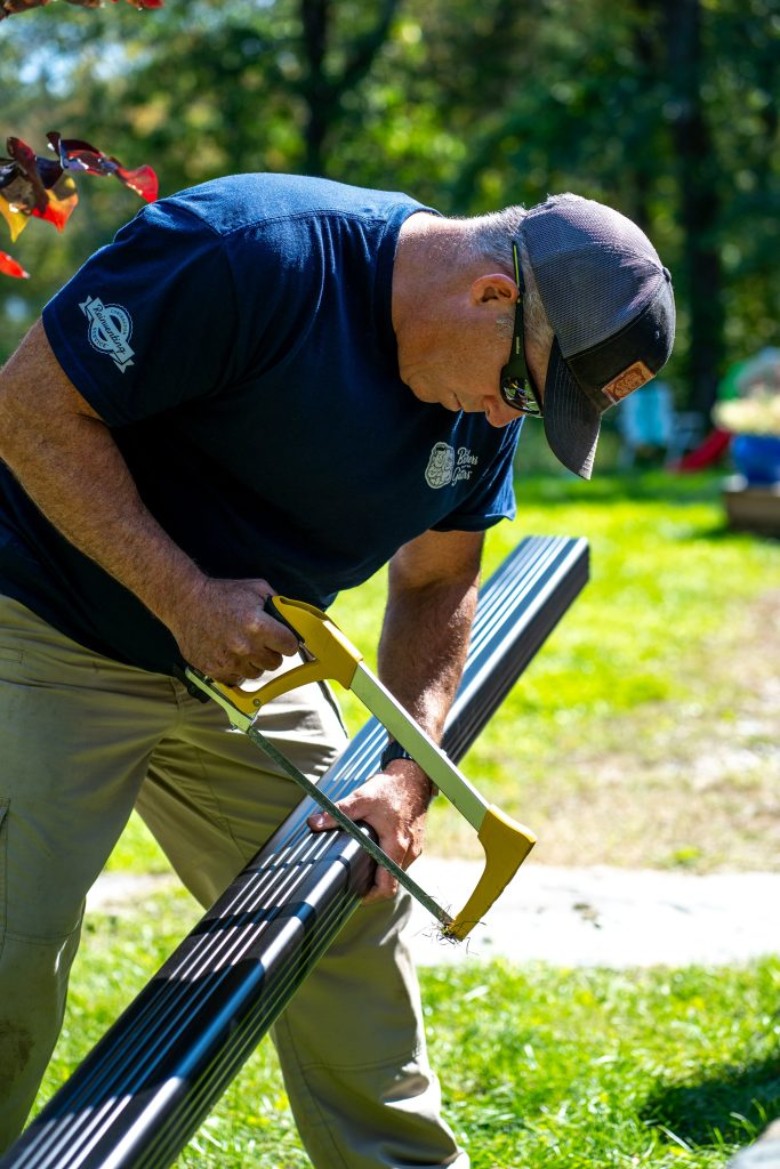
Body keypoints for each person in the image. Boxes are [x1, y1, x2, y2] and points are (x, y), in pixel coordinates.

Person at [0, 174, 675, 1167]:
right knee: (13, 950)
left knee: (344, 902)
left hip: (242, 658)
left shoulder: (480, 407)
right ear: (491, 293)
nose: (502, 421)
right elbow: (27, 409)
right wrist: (182, 595)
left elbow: (440, 582)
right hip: (48, 615)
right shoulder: (254, 253)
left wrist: (402, 773)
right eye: (524, 387)